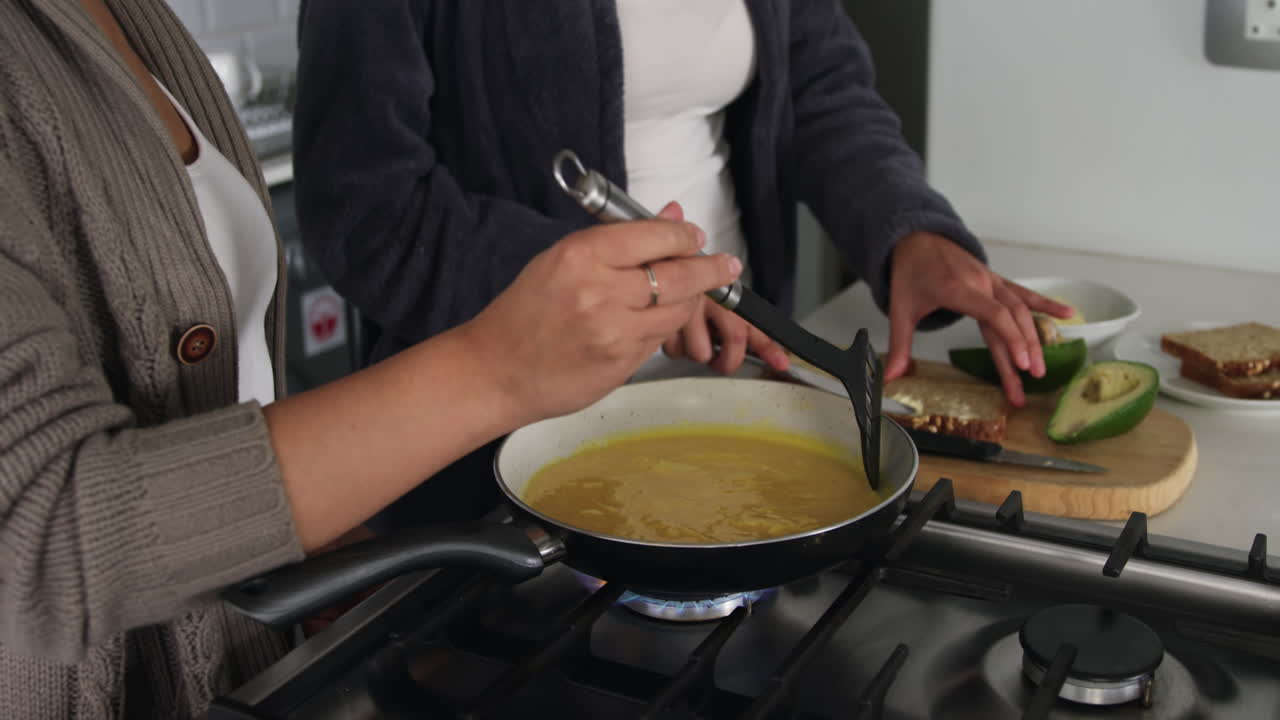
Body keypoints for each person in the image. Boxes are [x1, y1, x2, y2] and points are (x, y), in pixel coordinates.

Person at [0, 1, 741, 717]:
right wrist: (498, 368)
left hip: (254, 655)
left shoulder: (127, 16)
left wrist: (312, 543)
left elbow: (201, 394)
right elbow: (40, 532)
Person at [293, 0, 1073, 528]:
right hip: (490, 464)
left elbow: (820, 86)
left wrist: (910, 231)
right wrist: (626, 291)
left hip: (730, 392)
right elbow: (367, 207)